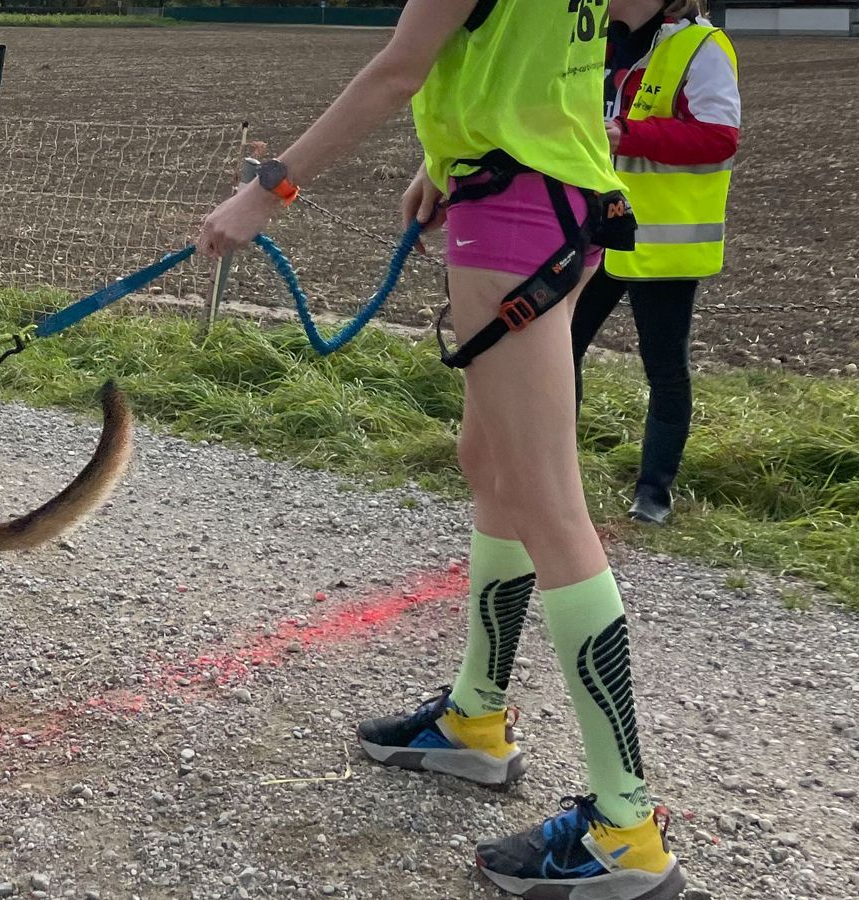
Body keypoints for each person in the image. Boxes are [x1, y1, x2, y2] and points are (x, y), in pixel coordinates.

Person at [196, 2, 683, 899]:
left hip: (514, 217)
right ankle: (476, 722)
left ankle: (627, 827)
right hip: (559, 200)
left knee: (549, 506)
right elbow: (602, 21)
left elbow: (399, 67)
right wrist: (444, 154)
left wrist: (267, 188)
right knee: (489, 466)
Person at [571, 0, 741, 525]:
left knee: (664, 369)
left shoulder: (702, 47)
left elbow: (720, 138)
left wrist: (627, 135)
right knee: (559, 348)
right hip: (597, 226)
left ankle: (654, 493)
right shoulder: (598, 41)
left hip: (663, 240)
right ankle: (556, 472)